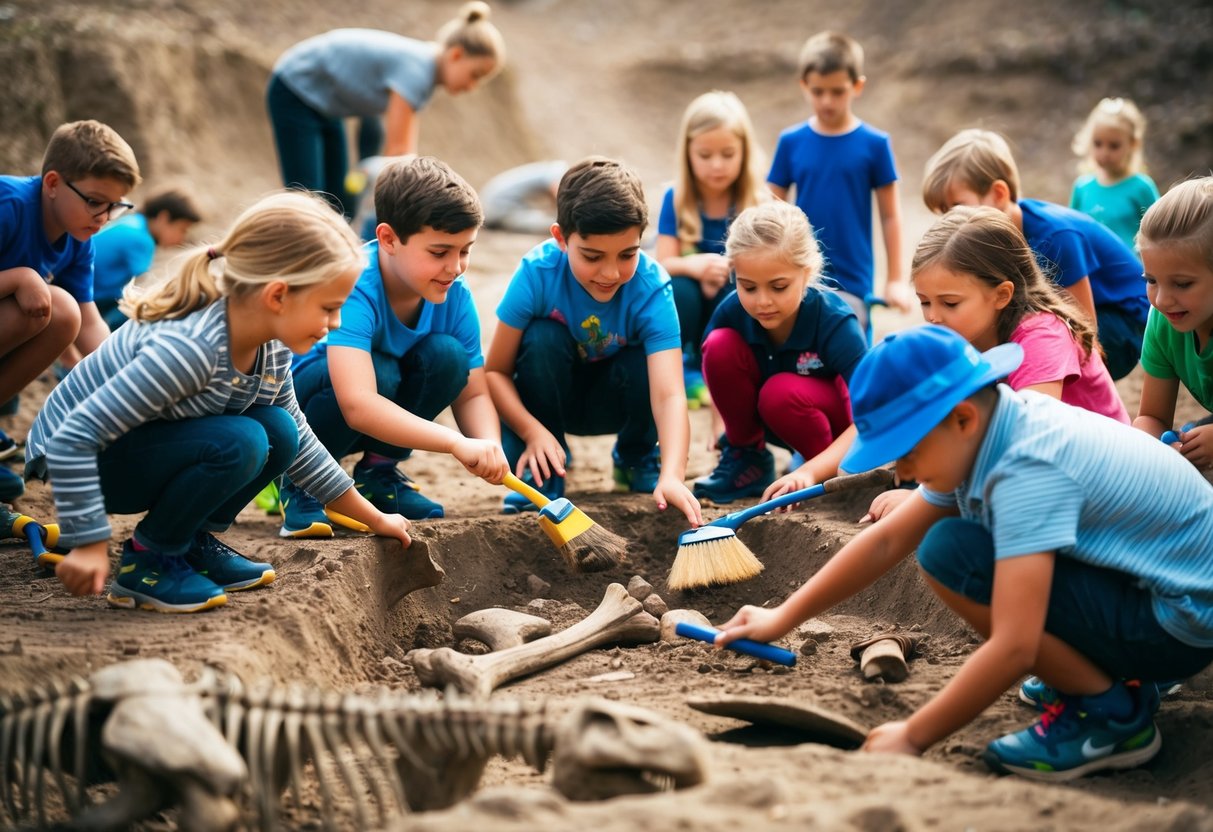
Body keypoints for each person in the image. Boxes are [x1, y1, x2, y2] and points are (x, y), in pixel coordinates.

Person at [717, 324, 1213, 782]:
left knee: (956, 556)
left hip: (1179, 623)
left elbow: (1016, 646)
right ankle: (1098, 675)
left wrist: (914, 736)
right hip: (1156, 589)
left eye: (908, 453)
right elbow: (887, 539)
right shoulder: (991, 430)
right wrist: (782, 616)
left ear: (961, 418)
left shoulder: (1025, 467)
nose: (904, 473)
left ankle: (1110, 713)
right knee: (951, 548)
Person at [22, 191, 412, 613]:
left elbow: (298, 437)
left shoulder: (272, 343)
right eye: (330, 308)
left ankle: (188, 543)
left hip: (133, 448)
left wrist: (375, 518)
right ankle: (150, 562)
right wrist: (90, 542)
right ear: (278, 295)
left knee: (280, 430)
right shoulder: (190, 348)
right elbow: (73, 438)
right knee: (241, 440)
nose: (335, 324)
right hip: (82, 460)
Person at [280, 156, 509, 537]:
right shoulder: (355, 282)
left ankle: (378, 474)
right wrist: (455, 443)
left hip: (374, 398)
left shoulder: (454, 294)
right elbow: (358, 406)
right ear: (388, 239)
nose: (455, 267)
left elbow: (472, 393)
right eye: (439, 252)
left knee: (449, 356)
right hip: (310, 411)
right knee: (381, 371)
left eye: (465, 250)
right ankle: (305, 483)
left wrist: (487, 445)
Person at [865, 205, 1129, 522]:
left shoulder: (1042, 334)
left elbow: (1028, 443)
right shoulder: (962, 332)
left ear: (1002, 294)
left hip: (1100, 481)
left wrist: (921, 499)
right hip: (1045, 476)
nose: (933, 317)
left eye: (950, 303)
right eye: (924, 302)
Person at [485, 156, 703, 527]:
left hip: (615, 400)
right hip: (548, 403)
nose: (611, 272)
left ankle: (636, 461)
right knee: (541, 337)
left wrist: (673, 475)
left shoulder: (651, 287)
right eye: (592, 256)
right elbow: (495, 373)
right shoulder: (536, 274)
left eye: (627, 254)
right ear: (560, 238)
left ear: (641, 241)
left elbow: (669, 394)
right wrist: (531, 431)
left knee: (645, 359)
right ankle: (544, 471)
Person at [923, 128, 1148, 381]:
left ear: (998, 194)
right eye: (943, 212)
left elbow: (1085, 326)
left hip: (1125, 323)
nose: (950, 220)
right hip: (1091, 313)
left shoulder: (1053, 236)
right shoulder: (993, 237)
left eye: (956, 207)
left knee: (1038, 332)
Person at [0, 120, 141, 503]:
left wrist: (131, 379)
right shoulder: (8, 204)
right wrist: (18, 279)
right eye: (94, 201)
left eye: (114, 207)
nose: (102, 217)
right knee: (58, 304)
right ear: (52, 183)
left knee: (66, 314)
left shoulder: (79, 238)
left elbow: (90, 322)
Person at [692, 201, 865, 504]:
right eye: (749, 287)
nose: (763, 302)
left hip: (842, 437)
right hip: (772, 420)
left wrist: (810, 472)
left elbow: (871, 417)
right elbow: (716, 372)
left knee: (780, 393)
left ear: (806, 273)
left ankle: (827, 475)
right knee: (718, 345)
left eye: (779, 286)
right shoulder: (732, 311)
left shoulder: (835, 321)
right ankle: (748, 462)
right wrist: (727, 434)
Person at [266, 1, 505, 216]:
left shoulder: (423, 71)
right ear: (456, 54)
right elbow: (399, 154)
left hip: (327, 105)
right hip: (296, 86)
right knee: (307, 197)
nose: (473, 86)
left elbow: (378, 130)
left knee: (335, 200)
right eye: (475, 75)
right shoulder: (418, 70)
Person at [766, 31, 912, 335]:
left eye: (837, 91)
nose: (827, 101)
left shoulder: (875, 144)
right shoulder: (791, 142)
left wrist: (895, 279)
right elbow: (770, 209)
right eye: (818, 91)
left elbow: (890, 215)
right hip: (799, 270)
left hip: (854, 279)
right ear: (803, 85)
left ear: (857, 86)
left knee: (850, 350)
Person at [656, 91, 767, 406]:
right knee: (677, 287)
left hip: (729, 296)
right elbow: (663, 261)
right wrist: (696, 266)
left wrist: (723, 269)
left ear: (744, 152)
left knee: (738, 287)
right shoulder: (675, 199)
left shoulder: (756, 201)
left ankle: (726, 364)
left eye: (728, 154)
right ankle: (683, 365)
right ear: (688, 153)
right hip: (691, 299)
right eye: (705, 155)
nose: (716, 165)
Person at [1132, 177, 1213, 472]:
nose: (1162, 300)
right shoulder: (1164, 321)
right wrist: (1157, 445)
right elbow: (1151, 417)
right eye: (1150, 281)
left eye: (1182, 283)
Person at [90, 186, 203, 330]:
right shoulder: (142, 239)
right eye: (182, 229)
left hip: (90, 290)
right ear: (164, 218)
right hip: (90, 296)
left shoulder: (133, 222)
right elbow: (148, 284)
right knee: (143, 307)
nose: (182, 238)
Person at [1069, 97, 1159, 251]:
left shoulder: (1141, 187)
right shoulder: (1082, 187)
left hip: (1132, 271)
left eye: (1114, 146)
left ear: (1132, 144)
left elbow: (1160, 232)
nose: (1104, 153)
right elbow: (1072, 230)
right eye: (1098, 143)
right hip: (1093, 272)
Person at [481, 159, 567, 235]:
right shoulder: (558, 171)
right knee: (555, 223)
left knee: (547, 218)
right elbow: (557, 192)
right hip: (497, 207)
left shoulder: (550, 168)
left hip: (493, 203)